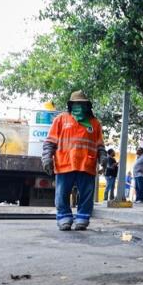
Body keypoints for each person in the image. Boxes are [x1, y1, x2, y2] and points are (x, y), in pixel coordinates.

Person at [42, 91, 104, 231]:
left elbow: (100, 144)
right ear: (71, 105)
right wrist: (47, 157)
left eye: (82, 104)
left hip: (86, 164)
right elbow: (50, 141)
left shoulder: (94, 123)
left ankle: (82, 217)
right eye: (77, 104)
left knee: (86, 193)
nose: (79, 107)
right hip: (65, 163)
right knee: (62, 193)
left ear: (87, 106)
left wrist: (104, 158)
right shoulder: (61, 120)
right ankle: (64, 217)